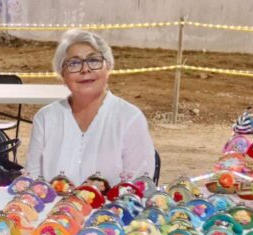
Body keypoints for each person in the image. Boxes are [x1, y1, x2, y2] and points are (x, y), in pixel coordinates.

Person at [26, 29, 156, 185]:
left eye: (93, 61)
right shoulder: (45, 118)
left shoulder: (130, 118)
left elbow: (139, 186)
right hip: (52, 208)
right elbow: (32, 182)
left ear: (108, 67)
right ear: (62, 74)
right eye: (74, 63)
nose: (85, 69)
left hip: (115, 208)